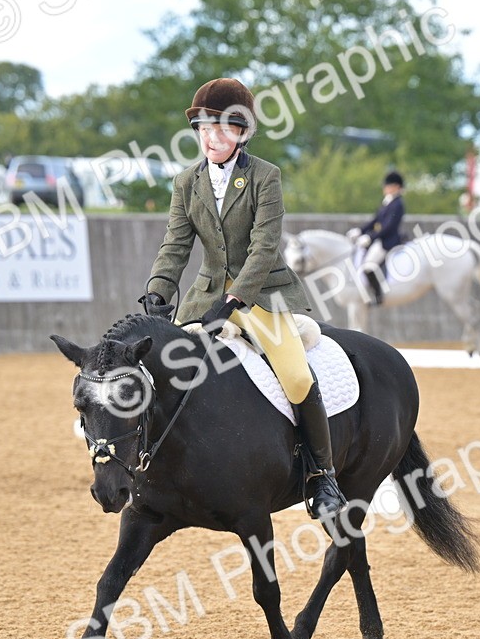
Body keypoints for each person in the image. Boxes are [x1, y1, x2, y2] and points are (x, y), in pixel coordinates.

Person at [138, 78, 347, 520]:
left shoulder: (265, 177)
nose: (211, 138)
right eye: (203, 128)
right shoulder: (185, 183)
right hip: (205, 294)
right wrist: (158, 289)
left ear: (243, 132)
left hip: (263, 295)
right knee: (168, 368)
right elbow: (175, 245)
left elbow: (264, 247)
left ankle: (321, 476)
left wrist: (234, 302)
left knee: (295, 377)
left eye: (222, 128)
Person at [348, 171, 406, 304]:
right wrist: (360, 231)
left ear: (396, 187)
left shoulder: (398, 204)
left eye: (388, 186)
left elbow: (388, 226)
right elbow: (375, 221)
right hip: (380, 238)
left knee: (368, 265)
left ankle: (378, 295)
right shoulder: (387, 202)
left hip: (388, 240)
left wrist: (370, 237)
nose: (385, 188)